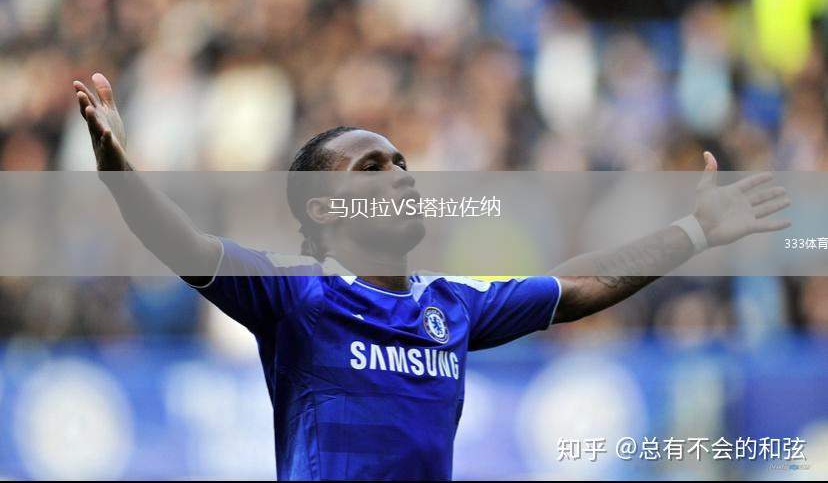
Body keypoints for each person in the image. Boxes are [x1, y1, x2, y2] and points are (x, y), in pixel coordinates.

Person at [73, 73, 791, 480]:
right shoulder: (299, 295)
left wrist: (696, 231)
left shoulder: (452, 303)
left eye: (403, 163)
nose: (401, 176)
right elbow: (186, 245)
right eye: (372, 167)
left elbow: (574, 287)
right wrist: (120, 175)